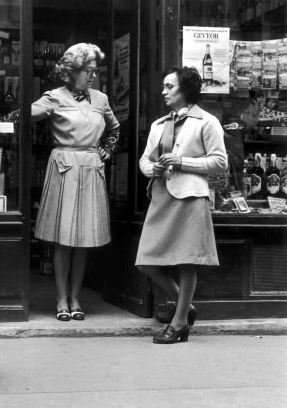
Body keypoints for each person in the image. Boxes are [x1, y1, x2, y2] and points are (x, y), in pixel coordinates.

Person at [12, 43, 120, 321]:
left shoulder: (101, 99)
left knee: (82, 239)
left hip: (91, 168)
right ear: (72, 72)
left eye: (95, 71)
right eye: (88, 71)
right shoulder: (54, 97)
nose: (93, 76)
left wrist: (106, 151)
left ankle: (75, 297)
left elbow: (114, 128)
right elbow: (22, 116)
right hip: (63, 168)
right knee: (63, 240)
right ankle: (61, 299)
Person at [136, 66, 228, 344]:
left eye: (169, 87)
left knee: (188, 262)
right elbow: (144, 159)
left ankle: (178, 324)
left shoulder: (207, 122)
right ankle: (185, 307)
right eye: (163, 86)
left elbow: (220, 163)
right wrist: (151, 169)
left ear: (185, 90)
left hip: (190, 197)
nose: (163, 91)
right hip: (162, 196)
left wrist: (181, 162)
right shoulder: (158, 124)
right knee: (146, 262)